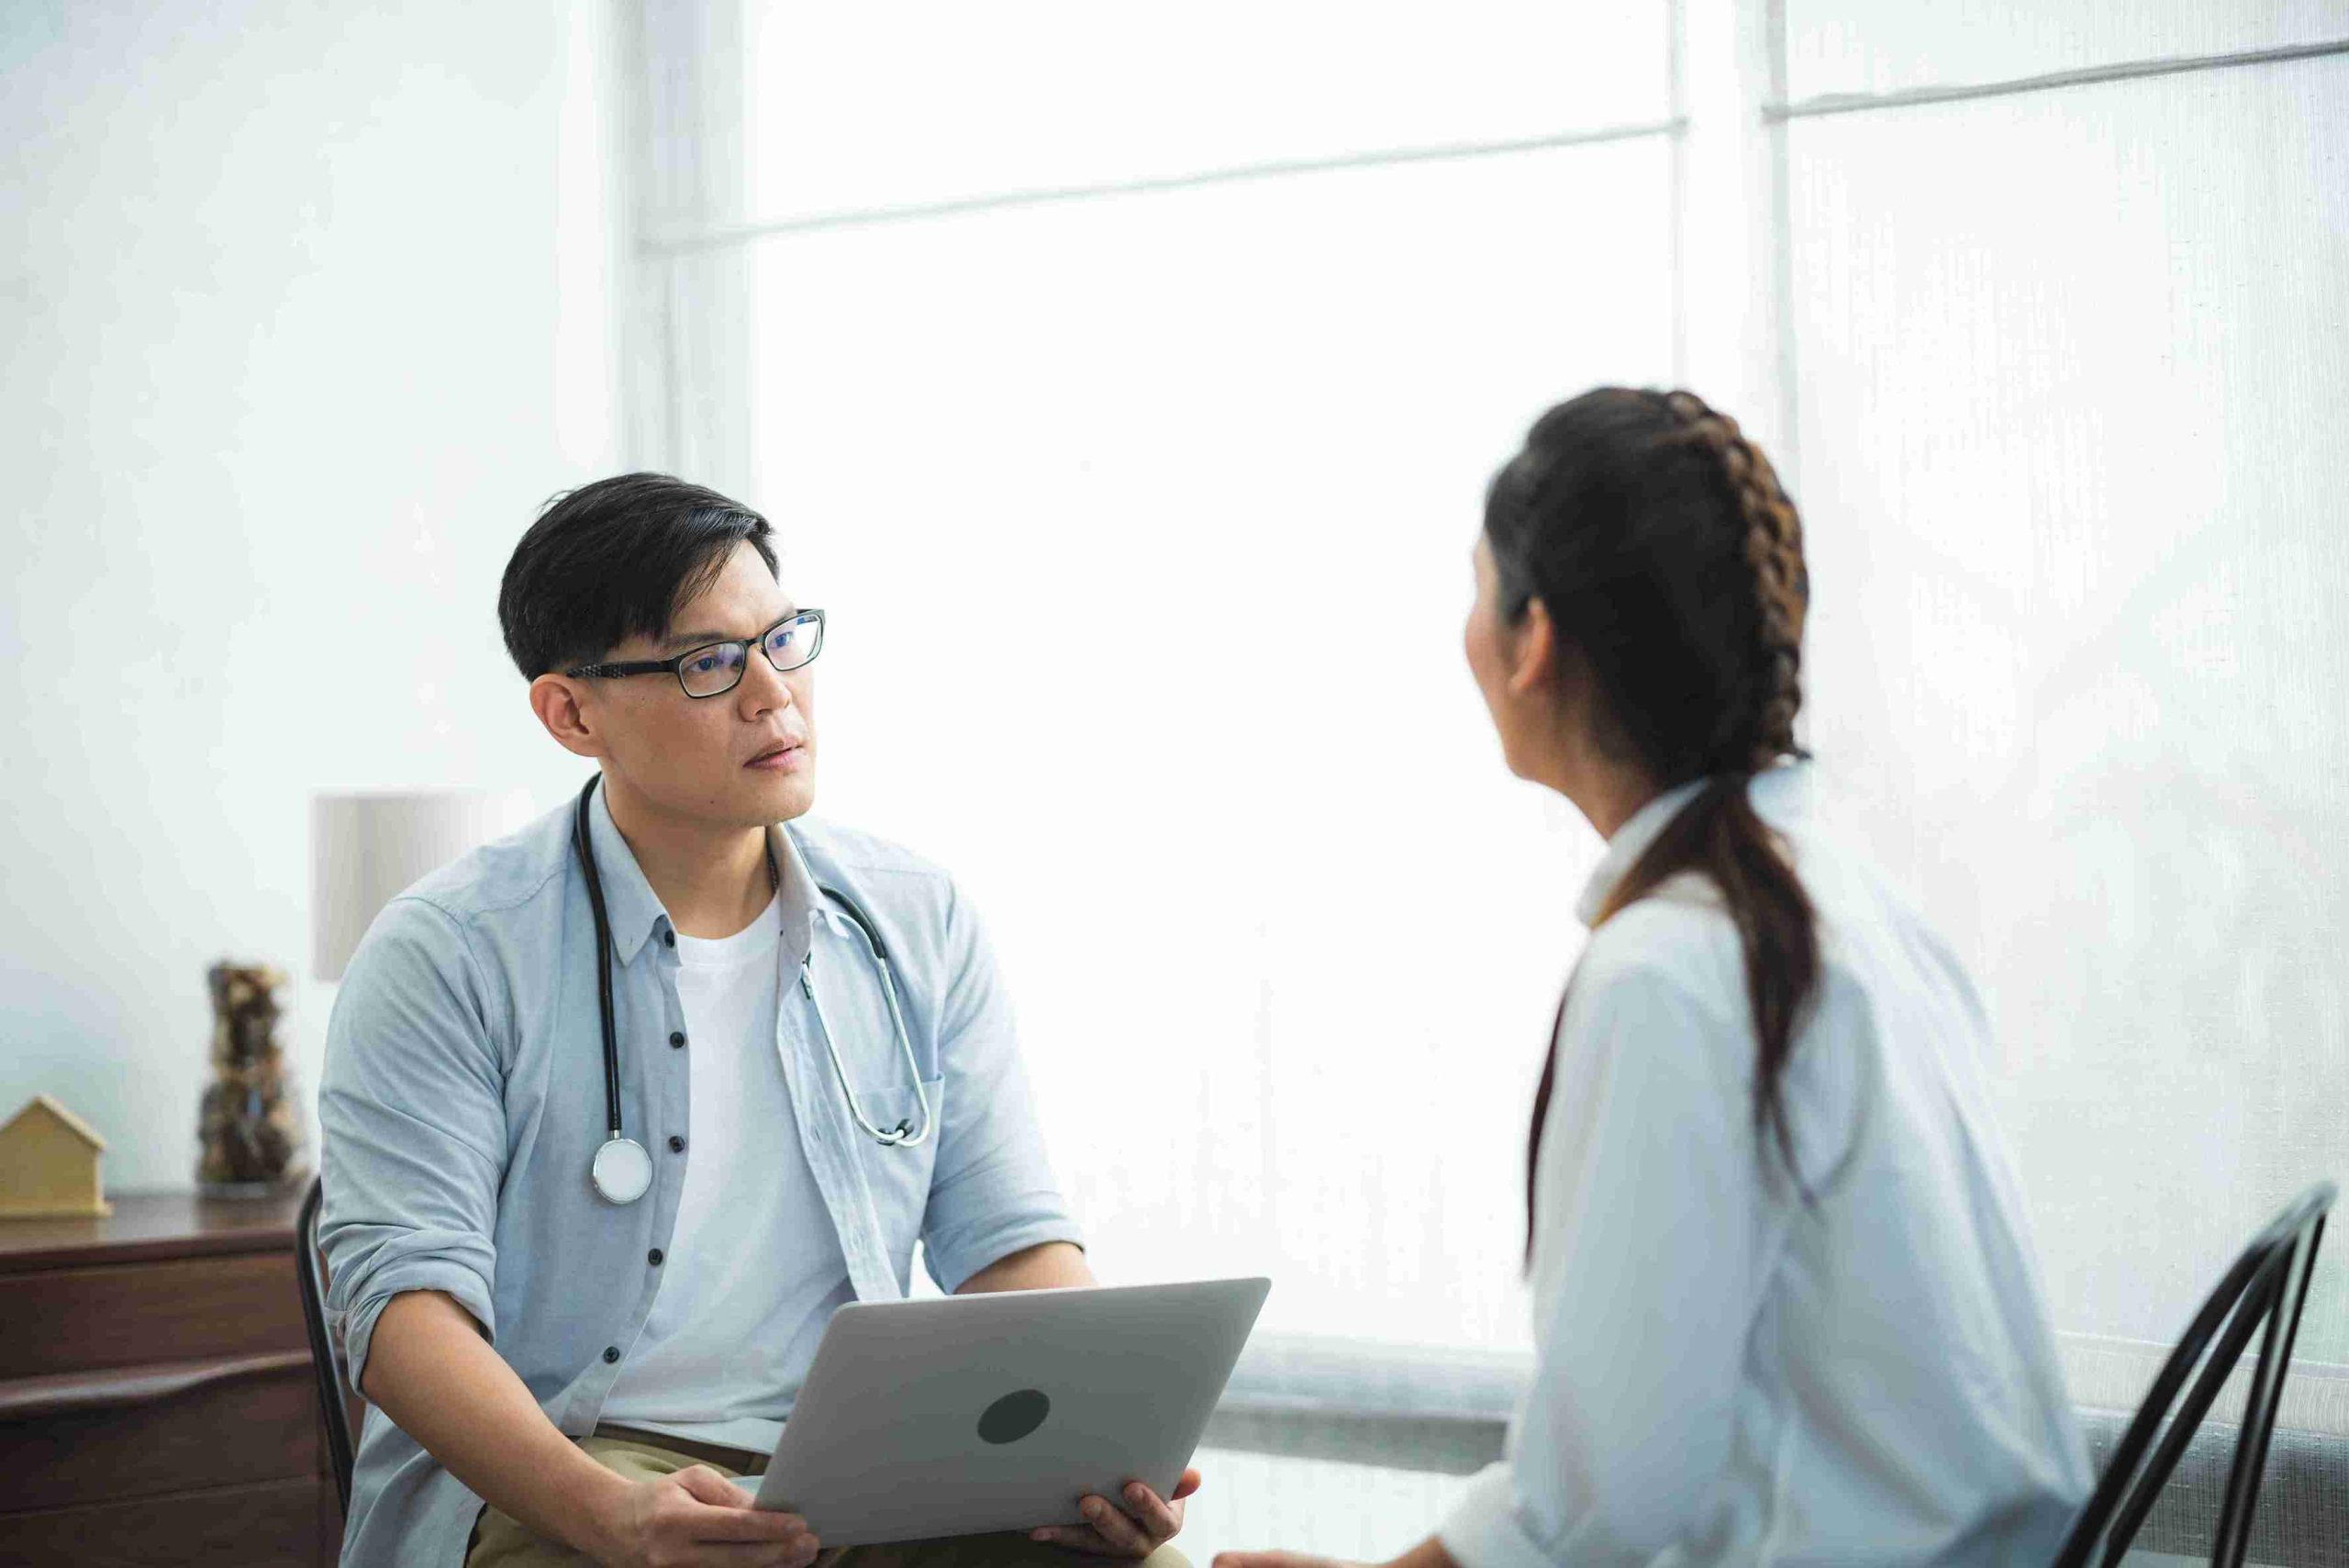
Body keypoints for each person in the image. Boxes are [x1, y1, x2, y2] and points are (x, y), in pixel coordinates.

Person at [1217, 389, 2093, 1568]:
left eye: (1476, 588)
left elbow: (1599, 1507)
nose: (1463, 631)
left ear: (1533, 641)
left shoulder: (1671, 971)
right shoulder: (1851, 903)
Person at [319, 474, 1200, 1568]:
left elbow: (1009, 1240)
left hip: (865, 1464)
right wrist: (606, 1512)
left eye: (783, 639)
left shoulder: (913, 917)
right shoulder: (448, 952)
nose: (772, 693)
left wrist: (1095, 1440)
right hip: (574, 1461)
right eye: (706, 662)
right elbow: (399, 1308)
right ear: (571, 712)